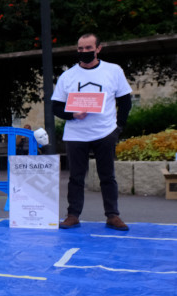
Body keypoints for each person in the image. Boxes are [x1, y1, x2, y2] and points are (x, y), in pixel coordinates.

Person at [52, 33, 132, 231]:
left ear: (98, 49)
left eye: (88, 48)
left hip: (105, 132)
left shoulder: (113, 71)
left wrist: (118, 127)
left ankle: (113, 215)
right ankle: (73, 215)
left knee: (108, 176)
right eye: (80, 49)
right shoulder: (68, 76)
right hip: (76, 135)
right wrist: (72, 115)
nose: (84, 52)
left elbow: (125, 100)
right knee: (76, 178)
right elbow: (55, 106)